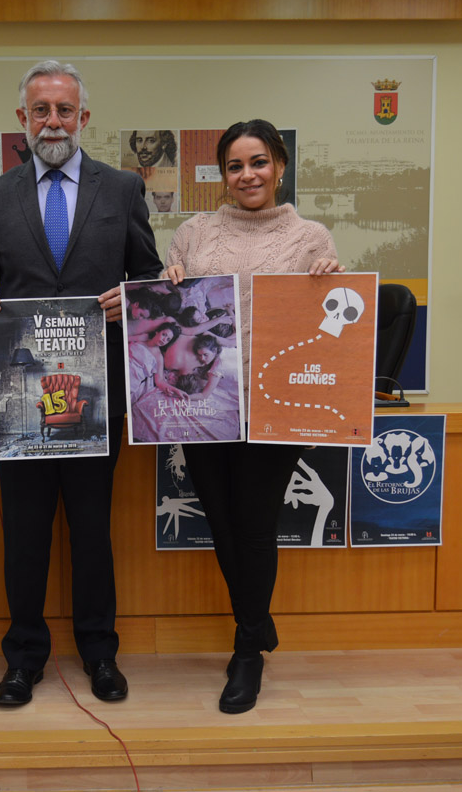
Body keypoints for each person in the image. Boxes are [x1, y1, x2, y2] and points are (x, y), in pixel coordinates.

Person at [0, 60, 162, 706]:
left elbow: (152, 284)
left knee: (92, 533)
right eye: (40, 109)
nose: (53, 121)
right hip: (22, 398)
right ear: (22, 119)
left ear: (83, 119)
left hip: (97, 399)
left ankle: (101, 655)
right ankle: (24, 659)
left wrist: (131, 301)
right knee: (24, 535)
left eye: (64, 110)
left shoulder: (124, 189)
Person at [163, 119, 344, 714]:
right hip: (204, 403)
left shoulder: (311, 238)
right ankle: (258, 622)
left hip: (273, 405)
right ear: (222, 174)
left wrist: (330, 286)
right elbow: (174, 314)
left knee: (256, 523)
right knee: (219, 518)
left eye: (259, 162)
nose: (248, 175)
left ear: (281, 166)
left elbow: (331, 324)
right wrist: (167, 286)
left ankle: (247, 651)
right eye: (236, 165)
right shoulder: (192, 234)